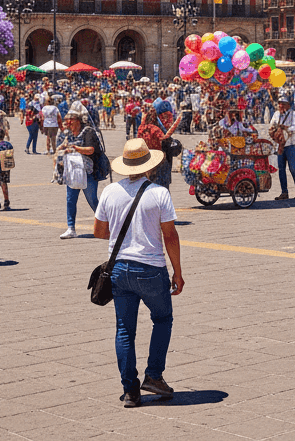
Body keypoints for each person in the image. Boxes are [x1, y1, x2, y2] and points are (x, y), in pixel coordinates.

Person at [94, 139, 184, 408]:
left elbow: (99, 231)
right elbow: (170, 235)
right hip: (151, 269)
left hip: (120, 268)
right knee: (163, 319)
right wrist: (177, 272)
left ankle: (130, 390)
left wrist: (127, 233)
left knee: (124, 329)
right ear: (149, 165)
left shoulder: (110, 191)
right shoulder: (159, 193)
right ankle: (154, 376)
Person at [58, 111, 100, 237]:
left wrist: (75, 148)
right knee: (70, 200)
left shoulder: (88, 132)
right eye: (67, 120)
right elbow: (60, 147)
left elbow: (91, 150)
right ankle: (71, 228)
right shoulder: (68, 134)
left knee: (92, 200)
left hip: (88, 172)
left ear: (78, 120)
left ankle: (106, 225)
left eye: (70, 120)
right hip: (73, 171)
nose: (68, 122)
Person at [271, 94, 295, 201]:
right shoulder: (276, 114)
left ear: (288, 105)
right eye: (279, 104)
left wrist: (285, 128)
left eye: (283, 104)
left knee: (292, 168)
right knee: (281, 169)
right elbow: (272, 124)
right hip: (280, 145)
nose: (280, 106)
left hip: (291, 144)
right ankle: (284, 192)